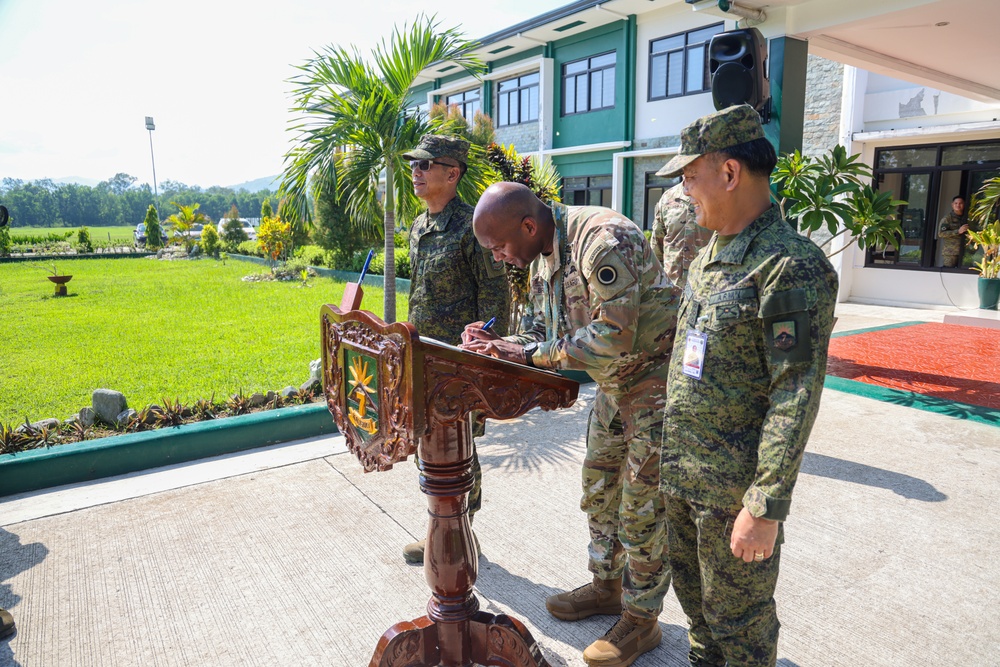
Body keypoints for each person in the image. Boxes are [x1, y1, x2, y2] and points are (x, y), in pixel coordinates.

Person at [462, 182, 676, 667]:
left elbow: (614, 335)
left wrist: (532, 352)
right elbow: (542, 332)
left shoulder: (603, 240)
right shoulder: (541, 258)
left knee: (641, 504)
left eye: (499, 248)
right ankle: (606, 588)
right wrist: (495, 343)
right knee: (599, 485)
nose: (498, 259)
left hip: (654, 380)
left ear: (529, 226)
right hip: (615, 385)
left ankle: (642, 621)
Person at [657, 104, 839, 667]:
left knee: (740, 629)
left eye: (690, 177)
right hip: (682, 478)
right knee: (700, 619)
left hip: (732, 493)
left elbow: (795, 390)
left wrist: (764, 504)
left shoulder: (788, 266)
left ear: (729, 173)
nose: (685, 192)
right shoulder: (706, 259)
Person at [400, 134, 511, 565]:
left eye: (427, 165)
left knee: (461, 447)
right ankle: (438, 525)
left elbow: (496, 295)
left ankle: (464, 530)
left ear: (453, 172)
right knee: (426, 441)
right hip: (422, 355)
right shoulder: (418, 226)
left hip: (458, 360)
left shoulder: (472, 226)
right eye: (415, 165)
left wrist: (485, 355)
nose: (417, 171)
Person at [650, 181, 713, 294]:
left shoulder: (714, 195)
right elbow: (657, 249)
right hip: (672, 291)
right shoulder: (667, 198)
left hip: (705, 288)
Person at [938, 195, 969, 268]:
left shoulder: (967, 218)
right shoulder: (947, 219)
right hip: (951, 253)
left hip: (965, 252)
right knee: (948, 273)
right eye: (956, 203)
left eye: (960, 203)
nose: (958, 205)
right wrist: (958, 231)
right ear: (952, 205)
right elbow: (941, 234)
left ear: (964, 205)